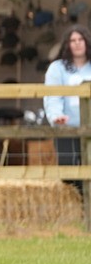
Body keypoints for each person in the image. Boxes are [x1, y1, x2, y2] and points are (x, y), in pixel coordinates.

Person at [43, 25, 91, 178]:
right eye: (73, 40)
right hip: (67, 129)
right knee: (69, 176)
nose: (77, 43)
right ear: (67, 45)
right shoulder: (56, 68)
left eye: (81, 39)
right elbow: (53, 97)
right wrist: (56, 117)